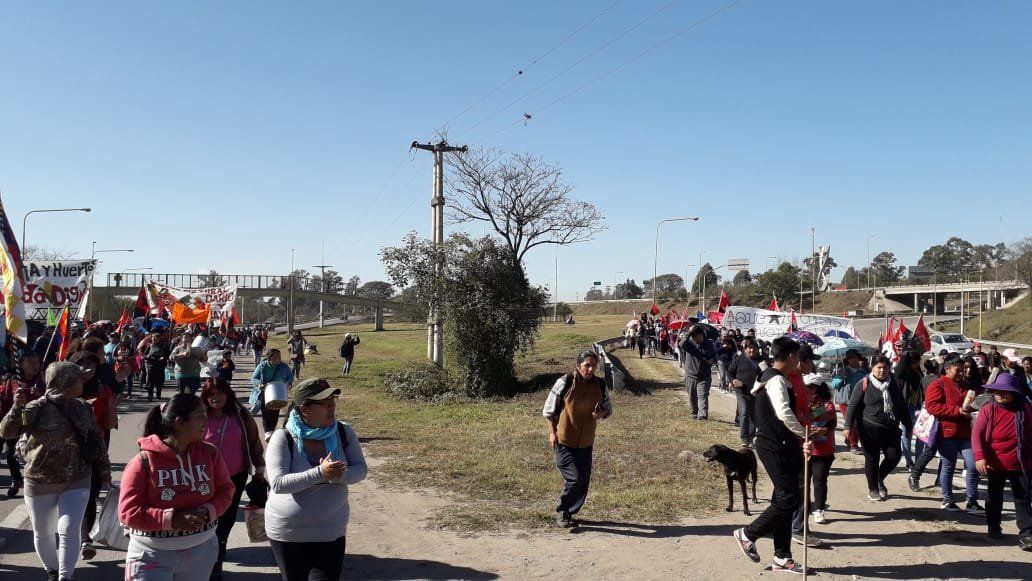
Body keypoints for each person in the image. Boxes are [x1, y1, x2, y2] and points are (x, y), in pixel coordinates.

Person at [1, 361, 112, 581]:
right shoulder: (35, 408)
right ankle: (51, 570)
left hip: (77, 478)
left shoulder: (83, 407)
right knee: (43, 531)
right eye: (78, 378)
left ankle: (64, 576)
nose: (83, 381)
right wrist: (16, 408)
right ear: (65, 382)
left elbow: (96, 440)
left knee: (69, 528)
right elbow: (6, 432)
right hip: (40, 480)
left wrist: (104, 469)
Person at [119, 393, 236, 580]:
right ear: (179, 422)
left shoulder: (210, 453)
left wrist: (208, 510)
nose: (206, 422)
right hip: (151, 555)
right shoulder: (143, 461)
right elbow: (128, 512)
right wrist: (172, 520)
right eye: (200, 416)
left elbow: (226, 490)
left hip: (201, 553)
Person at [266, 378, 368, 580]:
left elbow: (360, 469)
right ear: (304, 409)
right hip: (289, 533)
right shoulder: (283, 437)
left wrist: (340, 476)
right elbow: (278, 483)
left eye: (333, 400)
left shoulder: (343, 432)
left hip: (330, 531)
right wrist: (320, 473)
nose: (331, 406)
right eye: (324, 403)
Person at [733, 337, 808, 575]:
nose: (799, 361)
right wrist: (803, 433)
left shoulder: (771, 377)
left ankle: (782, 557)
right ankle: (748, 533)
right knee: (789, 498)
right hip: (774, 444)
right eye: (798, 356)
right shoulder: (775, 380)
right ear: (792, 356)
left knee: (784, 498)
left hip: (781, 443)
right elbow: (783, 412)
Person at [201, 378, 265, 580]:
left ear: (228, 394)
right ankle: (204, 556)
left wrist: (259, 470)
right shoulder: (198, 416)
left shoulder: (240, 415)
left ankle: (217, 561)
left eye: (219, 393)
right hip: (204, 478)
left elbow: (254, 442)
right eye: (211, 394)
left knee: (226, 519)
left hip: (234, 477)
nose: (215, 398)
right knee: (206, 518)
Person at [542, 351, 613, 527]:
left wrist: (602, 413)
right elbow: (548, 410)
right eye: (587, 365)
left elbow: (608, 408)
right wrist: (552, 433)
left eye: (594, 366)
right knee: (574, 479)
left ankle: (569, 512)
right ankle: (563, 511)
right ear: (578, 365)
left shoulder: (600, 384)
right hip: (564, 440)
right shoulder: (566, 382)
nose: (590, 369)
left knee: (583, 482)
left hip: (586, 442)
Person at [971, 373, 1032, 550]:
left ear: (1014, 393)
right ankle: (994, 526)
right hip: (995, 462)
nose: (999, 394)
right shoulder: (988, 409)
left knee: (1023, 498)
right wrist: (980, 456)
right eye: (997, 391)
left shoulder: (1026, 409)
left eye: (1004, 391)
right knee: (994, 497)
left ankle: (1027, 534)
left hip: (1020, 462)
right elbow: (977, 434)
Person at [69, 351, 118, 561]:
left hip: (95, 451)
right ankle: (73, 535)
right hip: (67, 454)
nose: (88, 369)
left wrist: (111, 409)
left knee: (90, 494)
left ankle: (85, 539)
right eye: (83, 364)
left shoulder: (103, 390)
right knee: (72, 497)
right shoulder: (64, 391)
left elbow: (109, 424)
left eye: (93, 365)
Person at [844, 355, 912, 502]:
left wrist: (908, 424)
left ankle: (879, 478)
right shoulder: (864, 383)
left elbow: (901, 405)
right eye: (879, 367)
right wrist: (847, 426)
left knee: (894, 456)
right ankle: (873, 489)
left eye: (885, 368)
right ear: (872, 368)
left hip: (891, 428)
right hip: (869, 427)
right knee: (872, 458)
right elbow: (853, 405)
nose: (882, 370)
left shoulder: (893, 383)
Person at [925, 354, 984, 513]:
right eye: (958, 370)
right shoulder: (938, 384)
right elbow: (932, 406)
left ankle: (972, 501)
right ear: (947, 369)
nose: (961, 373)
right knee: (948, 465)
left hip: (966, 433)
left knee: (973, 465)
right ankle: (947, 499)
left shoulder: (966, 385)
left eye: (962, 370)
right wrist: (956, 411)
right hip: (946, 433)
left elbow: (974, 403)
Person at [0, 350, 45, 498]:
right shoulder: (13, 381)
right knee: (11, 454)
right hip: (16, 424)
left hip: (36, 424)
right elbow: (5, 401)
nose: (35, 366)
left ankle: (36, 482)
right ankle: (16, 479)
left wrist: (40, 395)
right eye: (31, 363)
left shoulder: (42, 380)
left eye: (37, 362)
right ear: (22, 364)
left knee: (34, 455)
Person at [802, 372, 836, 525]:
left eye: (810, 387)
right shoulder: (799, 401)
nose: (806, 390)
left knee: (819, 480)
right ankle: (804, 507)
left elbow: (831, 421)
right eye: (805, 386)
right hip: (803, 448)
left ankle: (819, 509)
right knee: (803, 481)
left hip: (822, 450)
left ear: (817, 388)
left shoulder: (826, 404)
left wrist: (824, 430)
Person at [250, 348, 295, 439]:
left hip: (279, 392)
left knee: (275, 412)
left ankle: (271, 431)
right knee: (266, 413)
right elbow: (254, 378)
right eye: (277, 357)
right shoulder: (262, 366)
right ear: (270, 358)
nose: (279, 358)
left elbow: (290, 377)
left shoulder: (284, 366)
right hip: (265, 392)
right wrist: (259, 384)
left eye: (280, 356)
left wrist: (288, 383)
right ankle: (267, 432)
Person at [727, 339, 763, 448]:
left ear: (757, 349)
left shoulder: (761, 361)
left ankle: (751, 438)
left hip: (755, 392)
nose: (752, 350)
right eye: (749, 348)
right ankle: (744, 438)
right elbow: (730, 372)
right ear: (745, 349)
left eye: (754, 348)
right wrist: (732, 381)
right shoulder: (739, 359)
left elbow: (767, 374)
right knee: (744, 412)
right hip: (741, 391)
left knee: (753, 415)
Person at [831, 349, 865, 455]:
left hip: (859, 401)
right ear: (847, 360)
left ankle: (848, 440)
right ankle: (853, 445)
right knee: (851, 422)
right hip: (845, 401)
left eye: (856, 358)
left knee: (858, 422)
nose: (854, 360)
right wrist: (841, 377)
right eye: (851, 358)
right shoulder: (842, 371)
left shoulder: (862, 372)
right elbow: (834, 385)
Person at [896, 350, 925, 470]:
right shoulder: (902, 373)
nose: (917, 364)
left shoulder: (918, 372)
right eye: (915, 362)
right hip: (906, 408)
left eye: (918, 362)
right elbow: (899, 370)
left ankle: (919, 462)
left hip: (918, 407)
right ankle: (909, 462)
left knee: (920, 436)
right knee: (906, 435)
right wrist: (905, 353)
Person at [680, 325, 716, 420]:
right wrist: (689, 332)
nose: (699, 339)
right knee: (692, 396)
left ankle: (703, 415)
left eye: (700, 336)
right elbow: (681, 344)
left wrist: (712, 361)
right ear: (692, 337)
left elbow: (714, 356)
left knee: (703, 395)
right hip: (691, 375)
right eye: (696, 337)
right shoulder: (689, 344)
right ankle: (694, 413)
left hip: (704, 376)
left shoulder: (709, 344)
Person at [140, 330, 170, 402]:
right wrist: (146, 356)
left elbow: (167, 354)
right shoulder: (149, 346)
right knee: (150, 380)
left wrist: (163, 358)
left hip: (160, 365)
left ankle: (158, 393)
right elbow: (144, 354)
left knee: (159, 380)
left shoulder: (164, 346)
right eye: (153, 337)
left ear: (159, 338)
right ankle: (150, 395)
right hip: (150, 365)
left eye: (155, 338)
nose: (153, 339)